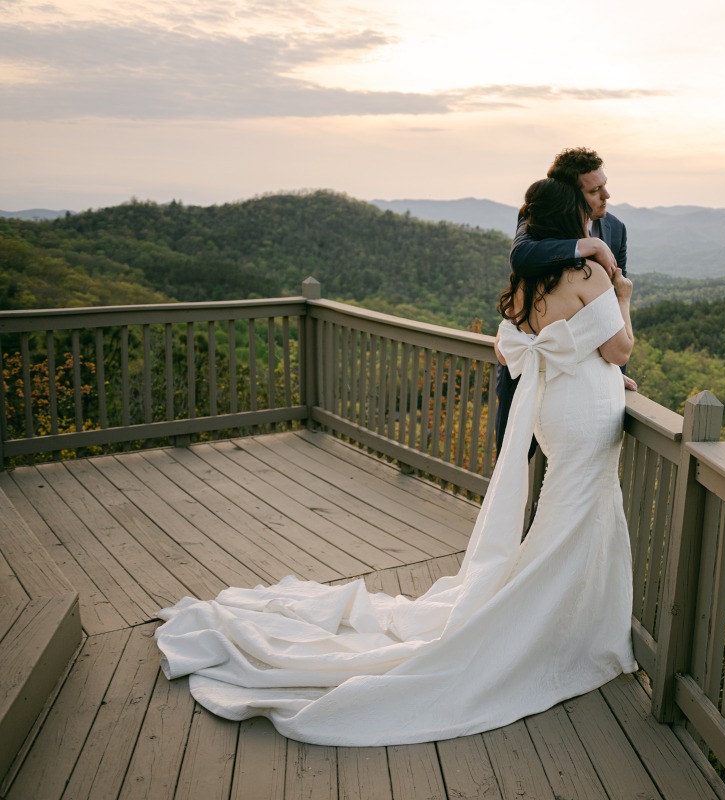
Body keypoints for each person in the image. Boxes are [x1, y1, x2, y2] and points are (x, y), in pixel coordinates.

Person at [152, 177, 637, 747]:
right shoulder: (590, 275)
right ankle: (550, 634)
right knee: (572, 525)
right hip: (585, 412)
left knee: (566, 521)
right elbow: (619, 349)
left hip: (557, 412)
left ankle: (567, 628)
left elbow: (529, 343)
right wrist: (624, 294)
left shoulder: (532, 280)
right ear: (572, 218)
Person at [494, 146, 635, 454]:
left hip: (578, 383)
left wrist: (613, 373)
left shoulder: (616, 229)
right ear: (570, 195)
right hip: (527, 372)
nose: (606, 195)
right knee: (511, 462)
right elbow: (522, 258)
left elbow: (610, 305)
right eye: (595, 190)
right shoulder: (533, 218)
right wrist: (589, 246)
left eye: (604, 185)